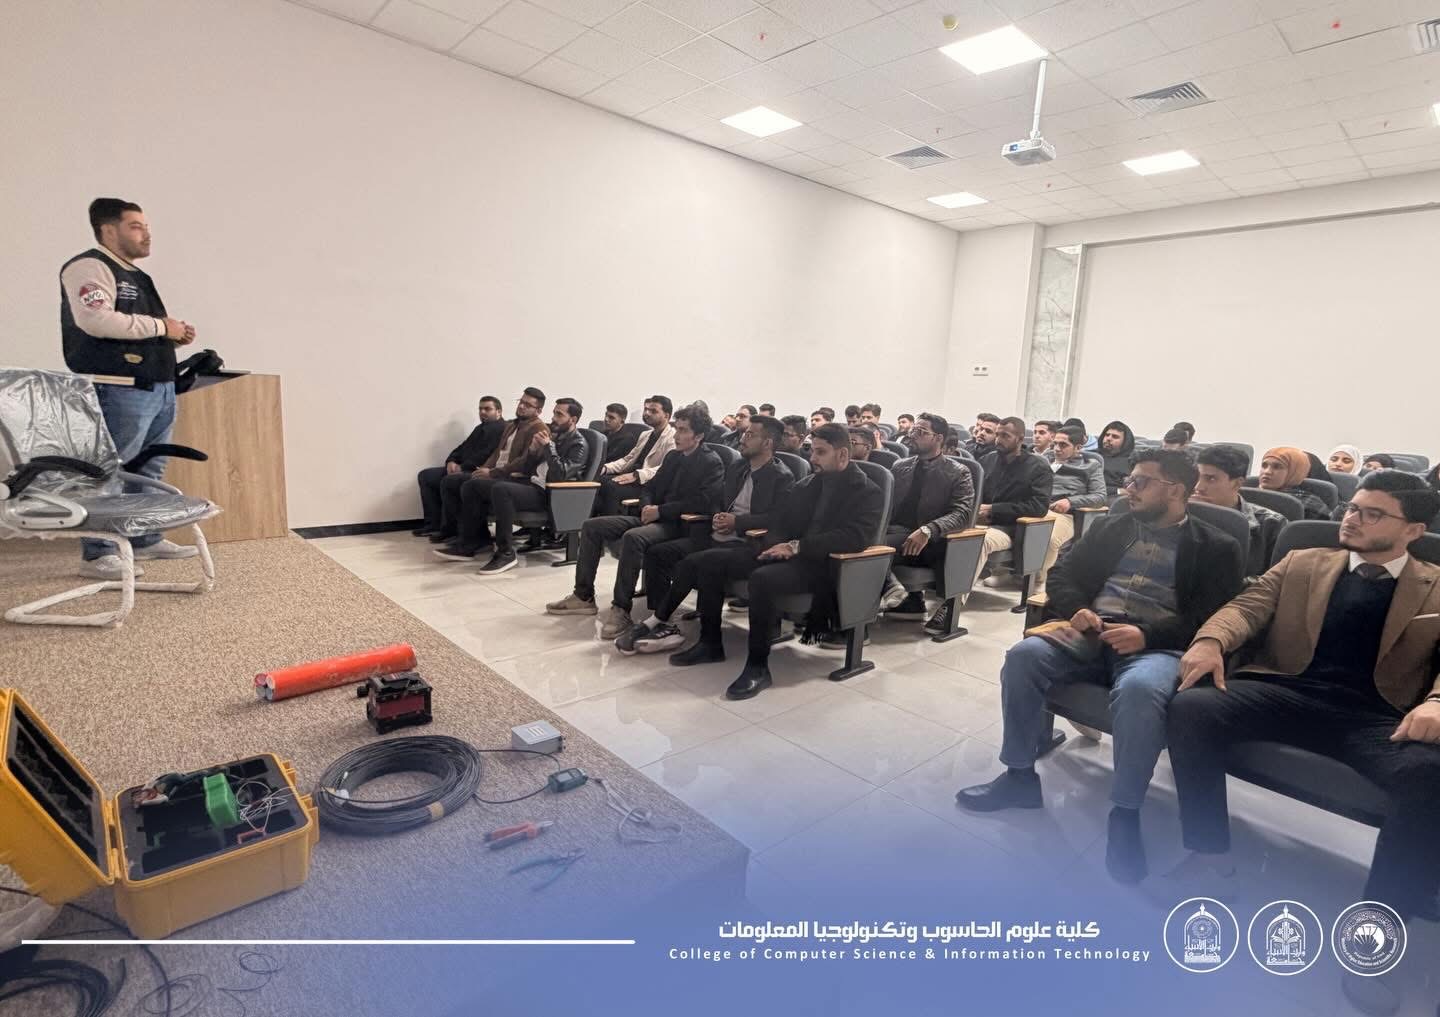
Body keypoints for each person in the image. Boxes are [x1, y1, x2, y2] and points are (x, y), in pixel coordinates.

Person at [1169, 471, 1440, 936]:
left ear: (1413, 530)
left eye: (1372, 514)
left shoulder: (1435, 585)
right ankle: (1209, 855)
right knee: (1192, 707)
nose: (1352, 519)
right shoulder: (1303, 561)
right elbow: (1246, 607)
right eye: (1352, 508)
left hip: (1376, 716)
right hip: (1288, 690)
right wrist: (1211, 640)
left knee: (1430, 773)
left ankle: (1379, 924)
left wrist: (1436, 701)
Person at [956, 450, 1244, 884]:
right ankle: (1019, 775)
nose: (1128, 489)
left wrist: (1147, 635)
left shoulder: (1217, 547)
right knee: (1023, 657)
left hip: (1158, 647)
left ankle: (1125, 813)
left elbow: (1213, 615)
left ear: (1176, 491)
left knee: (1140, 691)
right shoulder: (1112, 526)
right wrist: (1076, 609)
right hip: (1092, 633)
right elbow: (1062, 574)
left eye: (1141, 482)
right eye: (1130, 480)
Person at [627, 423, 882, 700]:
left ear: (842, 455)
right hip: (788, 554)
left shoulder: (867, 491)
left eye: (821, 453)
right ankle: (710, 644)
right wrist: (772, 545)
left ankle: (758, 666)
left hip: (823, 566)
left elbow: (855, 537)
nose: (812, 459)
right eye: (812, 451)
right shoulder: (808, 484)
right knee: (707, 561)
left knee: (762, 579)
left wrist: (796, 547)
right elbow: (782, 522)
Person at [60, 198, 198, 579]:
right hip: (118, 390)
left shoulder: (138, 276)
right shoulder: (89, 266)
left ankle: (143, 538)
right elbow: (96, 320)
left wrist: (171, 337)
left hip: (157, 389)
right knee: (107, 472)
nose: (146, 233)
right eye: (136, 226)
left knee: (149, 469)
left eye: (146, 226)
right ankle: (98, 553)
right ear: (108, 230)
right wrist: (162, 327)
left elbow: (134, 327)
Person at [546, 404, 723, 640]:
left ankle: (621, 609)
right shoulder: (673, 457)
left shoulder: (711, 462)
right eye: (677, 428)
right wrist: (648, 506)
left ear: (698, 436)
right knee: (591, 526)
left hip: (680, 524)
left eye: (683, 430)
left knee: (633, 537)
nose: (677, 435)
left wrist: (660, 511)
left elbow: (701, 503)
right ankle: (583, 595)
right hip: (655, 517)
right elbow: (650, 487)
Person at [623, 415, 795, 654]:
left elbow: (779, 520)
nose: (742, 439)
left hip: (749, 543)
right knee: (659, 552)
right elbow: (717, 500)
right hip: (718, 535)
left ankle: (656, 621)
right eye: (744, 433)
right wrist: (717, 516)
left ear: (767, 443)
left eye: (750, 435)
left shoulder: (782, 476)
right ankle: (662, 620)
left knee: (695, 562)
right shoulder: (738, 467)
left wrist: (738, 522)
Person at [472, 398, 589, 575]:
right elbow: (527, 468)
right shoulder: (555, 436)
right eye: (554, 413)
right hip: (533, 484)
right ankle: (474, 539)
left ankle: (506, 553)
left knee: (501, 489)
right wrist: (533, 452)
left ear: (572, 419)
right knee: (477, 485)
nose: (553, 418)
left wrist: (548, 447)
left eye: (559, 415)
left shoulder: (578, 444)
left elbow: (562, 474)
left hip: (551, 494)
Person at [878, 413, 975, 625]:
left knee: (871, 551)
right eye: (913, 430)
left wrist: (928, 529)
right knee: (858, 541)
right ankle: (909, 602)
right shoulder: (900, 466)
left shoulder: (958, 472)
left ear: (938, 438)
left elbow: (963, 514)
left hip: (930, 541)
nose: (912, 435)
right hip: (896, 531)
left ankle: (857, 622)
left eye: (921, 432)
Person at [433, 388, 550, 559]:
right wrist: (483, 470)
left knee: (470, 486)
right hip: (498, 474)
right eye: (521, 402)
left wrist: (493, 473)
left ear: (538, 411)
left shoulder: (539, 428)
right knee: (455, 481)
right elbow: (497, 453)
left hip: (514, 478)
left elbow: (524, 461)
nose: (522, 406)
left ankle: (473, 541)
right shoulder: (511, 425)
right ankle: (471, 536)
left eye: (528, 405)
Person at [972, 417, 1054, 593]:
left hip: (1010, 527)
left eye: (1005, 436)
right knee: (949, 532)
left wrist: (993, 510)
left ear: (1020, 439)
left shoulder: (1038, 467)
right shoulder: (988, 460)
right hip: (979, 521)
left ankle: (953, 600)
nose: (998, 440)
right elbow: (974, 493)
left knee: (976, 541)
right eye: (997, 435)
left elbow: (1038, 507)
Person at [414, 396, 504, 538]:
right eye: (480, 409)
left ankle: (452, 529)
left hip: (477, 470)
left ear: (498, 412)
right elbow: (462, 447)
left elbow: (487, 454)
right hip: (462, 467)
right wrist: (451, 461)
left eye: (487, 409)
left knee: (450, 481)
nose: (482, 412)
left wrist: (462, 467)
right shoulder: (479, 428)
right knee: (426, 476)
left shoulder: (501, 429)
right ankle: (433, 524)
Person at [1192, 445, 1286, 578]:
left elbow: (1274, 581)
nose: (1198, 487)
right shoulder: (1180, 512)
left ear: (1237, 483)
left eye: (1211, 479)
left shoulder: (1271, 524)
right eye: (1196, 477)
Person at [1036, 425, 1107, 596]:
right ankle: (1006, 572)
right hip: (1036, 507)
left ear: (1078, 447)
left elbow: (1100, 496)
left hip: (1063, 514)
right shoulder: (1045, 459)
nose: (1056, 449)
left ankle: (1040, 580)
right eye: (1055, 444)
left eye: (1063, 445)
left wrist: (1070, 501)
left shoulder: (1090, 466)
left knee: (1050, 538)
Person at [596, 395, 675, 515]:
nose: (647, 413)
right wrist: (606, 468)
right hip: (632, 477)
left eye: (653, 411)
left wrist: (637, 475)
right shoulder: (645, 434)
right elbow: (628, 459)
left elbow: (665, 468)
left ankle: (607, 523)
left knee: (611, 487)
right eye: (646, 409)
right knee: (598, 480)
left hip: (647, 484)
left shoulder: (672, 438)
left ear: (666, 416)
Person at [1256, 447, 1329, 519]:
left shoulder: (1309, 506)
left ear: (1295, 472)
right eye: (1264, 466)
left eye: (1277, 467)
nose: (1267, 472)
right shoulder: (1252, 494)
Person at [1098, 420, 1136, 497]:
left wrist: (1117, 491)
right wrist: (1117, 490)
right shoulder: (1091, 456)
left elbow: (1129, 490)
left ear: (1125, 442)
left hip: (1113, 499)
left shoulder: (1132, 462)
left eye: (1115, 437)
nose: (1109, 438)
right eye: (1107, 435)